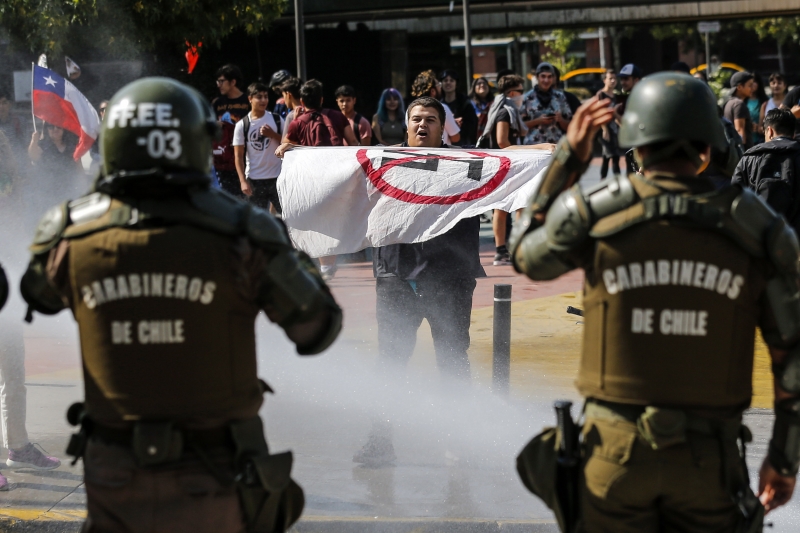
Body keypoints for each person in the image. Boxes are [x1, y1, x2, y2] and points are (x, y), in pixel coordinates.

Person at [20, 77, 342, 533]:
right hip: (215, 469)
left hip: (116, 472)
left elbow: (38, 295)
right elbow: (317, 328)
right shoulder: (245, 230)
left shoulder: (68, 231)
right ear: (194, 141)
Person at [511, 73, 799, 532]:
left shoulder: (595, 211)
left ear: (635, 146)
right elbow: (790, 358)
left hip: (612, 460)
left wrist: (569, 157)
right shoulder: (758, 228)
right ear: (709, 146)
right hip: (709, 465)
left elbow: (524, 252)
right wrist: (783, 459)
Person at [354, 96, 485, 465]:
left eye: (431, 119)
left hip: (450, 279)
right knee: (390, 361)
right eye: (416, 119)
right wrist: (296, 150)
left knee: (452, 360)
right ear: (406, 125)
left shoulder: (467, 164)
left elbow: (512, 161)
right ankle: (380, 442)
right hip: (396, 277)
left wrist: (546, 149)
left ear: (444, 128)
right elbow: (331, 161)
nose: (422, 125)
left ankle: (458, 442)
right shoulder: (384, 162)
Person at [277, 79, 358, 281]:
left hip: (309, 178)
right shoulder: (338, 117)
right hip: (336, 175)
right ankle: (328, 263)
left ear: (302, 100)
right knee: (332, 217)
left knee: (313, 219)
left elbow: (282, 148)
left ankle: (316, 263)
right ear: (322, 99)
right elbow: (354, 143)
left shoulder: (297, 122)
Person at [478, 74, 528, 266]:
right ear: (512, 92)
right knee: (504, 207)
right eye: (520, 92)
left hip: (507, 163)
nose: (522, 96)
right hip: (506, 164)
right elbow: (502, 141)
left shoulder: (506, 109)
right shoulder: (505, 112)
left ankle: (512, 247)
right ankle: (502, 250)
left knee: (515, 205)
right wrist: (523, 152)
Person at [732, 108, 800, 232]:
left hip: (757, 235)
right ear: (793, 134)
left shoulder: (749, 157)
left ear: (769, 131)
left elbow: (735, 196)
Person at [233, 82, 285, 214]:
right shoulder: (242, 125)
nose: (263, 100)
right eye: (259, 97)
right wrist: (243, 181)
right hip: (255, 181)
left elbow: (287, 143)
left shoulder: (277, 119)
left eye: (266, 97)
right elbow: (238, 156)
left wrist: (272, 135)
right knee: (256, 221)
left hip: (277, 178)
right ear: (250, 98)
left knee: (289, 218)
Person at [211, 64, 250, 198]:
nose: (218, 85)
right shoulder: (217, 103)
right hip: (223, 160)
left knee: (246, 198)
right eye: (218, 81)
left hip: (245, 158)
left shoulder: (247, 101)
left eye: (221, 81)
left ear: (233, 82)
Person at [522, 62, 572, 145]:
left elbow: (570, 126)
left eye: (549, 77)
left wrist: (560, 119)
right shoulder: (527, 98)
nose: (546, 80)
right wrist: (538, 121)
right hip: (533, 147)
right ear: (537, 77)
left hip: (555, 146)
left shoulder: (560, 97)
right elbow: (520, 128)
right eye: (543, 76)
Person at [410, 70, 460, 145]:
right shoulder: (442, 108)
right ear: (433, 91)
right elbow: (455, 137)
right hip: (440, 154)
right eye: (438, 85)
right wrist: (454, 125)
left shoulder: (410, 110)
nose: (440, 88)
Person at [440, 69, 478, 146]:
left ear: (456, 84)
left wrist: (457, 125)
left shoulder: (465, 103)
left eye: (451, 80)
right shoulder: (439, 104)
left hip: (463, 145)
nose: (448, 83)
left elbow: (472, 126)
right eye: (445, 80)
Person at [596, 69, 622, 179]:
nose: (613, 81)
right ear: (604, 80)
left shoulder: (616, 96)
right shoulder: (601, 95)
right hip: (604, 131)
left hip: (614, 130)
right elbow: (599, 113)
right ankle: (619, 181)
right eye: (610, 78)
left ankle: (603, 180)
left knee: (607, 157)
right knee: (614, 156)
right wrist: (605, 129)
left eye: (614, 78)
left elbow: (616, 115)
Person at [724, 71, 756, 151]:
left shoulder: (729, 102)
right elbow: (739, 132)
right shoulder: (739, 104)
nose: (753, 88)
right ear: (739, 87)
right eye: (750, 85)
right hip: (743, 154)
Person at [748, 73, 768, 146]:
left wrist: (760, 128)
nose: (752, 85)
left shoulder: (766, 101)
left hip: (762, 140)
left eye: (754, 82)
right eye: (750, 83)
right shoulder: (742, 101)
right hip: (747, 140)